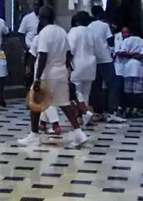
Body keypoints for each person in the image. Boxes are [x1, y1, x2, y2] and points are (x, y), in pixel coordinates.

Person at [32, 9, 85, 142]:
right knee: (65, 104)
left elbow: (43, 55)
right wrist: (66, 68)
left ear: (42, 18)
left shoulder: (44, 33)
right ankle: (79, 133)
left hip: (48, 74)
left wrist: (37, 77)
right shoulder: (61, 31)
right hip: (61, 72)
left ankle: (33, 134)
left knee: (36, 103)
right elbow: (68, 53)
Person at [68, 10, 101, 126]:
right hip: (91, 65)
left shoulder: (74, 31)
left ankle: (79, 115)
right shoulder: (91, 32)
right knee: (86, 93)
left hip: (77, 65)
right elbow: (96, 49)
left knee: (76, 92)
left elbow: (70, 49)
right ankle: (85, 116)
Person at [112, 22, 143, 119]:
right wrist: (135, 54)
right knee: (137, 91)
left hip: (127, 67)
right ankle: (135, 109)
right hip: (138, 68)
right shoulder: (142, 41)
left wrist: (130, 55)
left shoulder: (126, 41)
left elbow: (121, 53)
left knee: (128, 90)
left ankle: (127, 108)